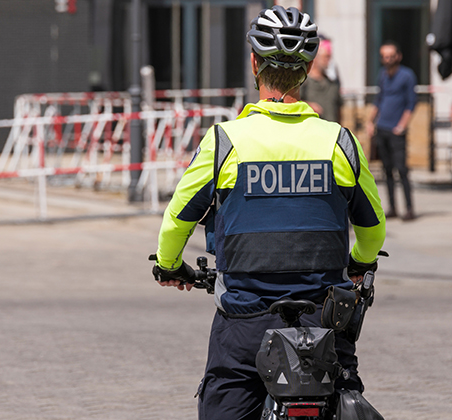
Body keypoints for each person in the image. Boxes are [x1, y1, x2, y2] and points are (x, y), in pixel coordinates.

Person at [151, 6, 386, 420]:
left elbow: (176, 223)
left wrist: (171, 266)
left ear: (254, 63)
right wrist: (359, 264)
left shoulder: (225, 141)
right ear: (308, 68)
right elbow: (372, 228)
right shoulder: (339, 142)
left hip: (245, 323)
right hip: (323, 324)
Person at [366, 40, 417, 221]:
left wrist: (402, 125)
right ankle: (392, 207)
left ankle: (409, 208)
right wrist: (370, 121)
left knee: (402, 170)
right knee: (386, 170)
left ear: (398, 56)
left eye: (391, 56)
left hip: (397, 132)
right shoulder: (382, 75)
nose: (387, 60)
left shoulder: (407, 76)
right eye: (384, 56)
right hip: (382, 128)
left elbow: (411, 104)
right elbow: (378, 100)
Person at [301, 35, 343, 123]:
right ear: (316, 57)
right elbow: (292, 103)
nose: (329, 61)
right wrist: (308, 106)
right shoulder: (303, 80)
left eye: (330, 57)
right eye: (326, 57)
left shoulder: (333, 81)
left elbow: (339, 108)